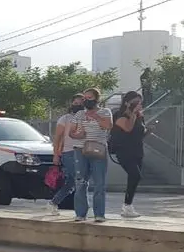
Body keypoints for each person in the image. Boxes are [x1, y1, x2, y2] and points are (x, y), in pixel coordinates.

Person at [70, 87, 113, 222]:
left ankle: (99, 214)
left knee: (99, 182)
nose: (87, 100)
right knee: (80, 181)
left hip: (98, 149)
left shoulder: (105, 111)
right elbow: (71, 132)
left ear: (97, 99)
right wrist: (78, 134)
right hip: (80, 149)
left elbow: (108, 125)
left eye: (90, 98)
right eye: (85, 98)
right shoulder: (79, 114)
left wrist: (96, 116)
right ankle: (80, 213)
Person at [47, 94, 86, 215]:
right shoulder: (65, 119)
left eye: (80, 103)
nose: (77, 106)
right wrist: (56, 154)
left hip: (84, 152)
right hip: (68, 152)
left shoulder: (87, 118)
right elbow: (57, 137)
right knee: (79, 179)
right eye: (75, 103)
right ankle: (82, 208)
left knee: (72, 182)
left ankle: (53, 203)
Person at [111, 91, 148, 218]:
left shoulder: (139, 116)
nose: (138, 105)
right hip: (124, 150)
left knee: (134, 178)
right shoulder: (120, 115)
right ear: (127, 102)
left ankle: (128, 205)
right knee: (135, 175)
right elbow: (128, 129)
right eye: (135, 103)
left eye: (140, 103)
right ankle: (127, 206)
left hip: (137, 150)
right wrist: (132, 114)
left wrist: (148, 130)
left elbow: (139, 132)